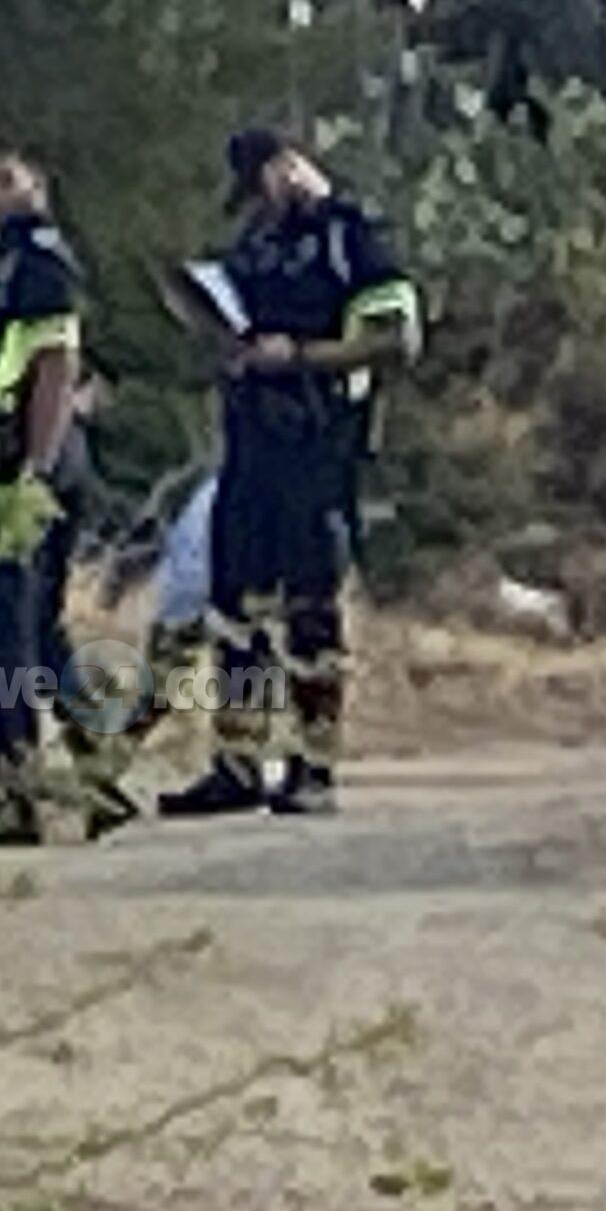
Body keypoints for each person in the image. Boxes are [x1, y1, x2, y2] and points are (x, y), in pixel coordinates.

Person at [160, 128, 422, 821]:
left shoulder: (352, 236)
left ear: (290, 166)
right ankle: (237, 763)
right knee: (233, 607)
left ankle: (314, 767)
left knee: (311, 609)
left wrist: (299, 355)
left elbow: (396, 339)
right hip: (250, 443)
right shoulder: (255, 239)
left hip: (319, 444)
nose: (262, 202)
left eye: (265, 185)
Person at [0, 143, 91, 842]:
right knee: (31, 628)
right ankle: (98, 755)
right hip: (0, 461)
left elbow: (55, 369)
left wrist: (33, 471)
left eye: (4, 179)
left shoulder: (41, 262)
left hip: (27, 466)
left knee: (8, 632)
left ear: (39, 183)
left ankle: (19, 791)